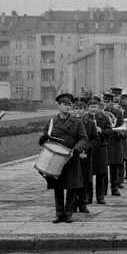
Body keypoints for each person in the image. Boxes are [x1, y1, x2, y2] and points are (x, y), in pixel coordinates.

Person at [39, 93, 89, 223]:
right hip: (55, 159)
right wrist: (43, 139)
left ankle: (68, 214)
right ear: (59, 105)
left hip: (71, 158)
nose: (67, 107)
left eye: (69, 105)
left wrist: (76, 149)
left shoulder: (77, 122)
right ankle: (59, 213)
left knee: (71, 187)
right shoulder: (51, 122)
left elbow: (84, 139)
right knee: (58, 186)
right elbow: (43, 141)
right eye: (65, 104)